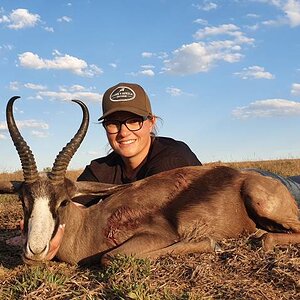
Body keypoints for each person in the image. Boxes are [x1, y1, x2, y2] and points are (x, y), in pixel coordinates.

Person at [75, 82, 201, 206]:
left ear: (151, 122)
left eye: (134, 121)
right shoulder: (100, 169)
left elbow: (150, 217)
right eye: (113, 123)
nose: (123, 133)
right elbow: (71, 209)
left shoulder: (172, 159)